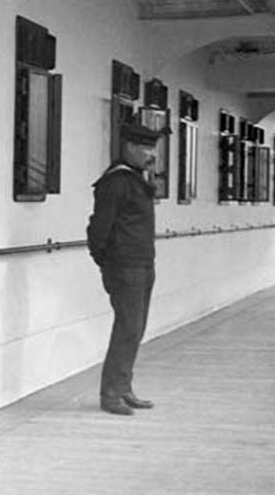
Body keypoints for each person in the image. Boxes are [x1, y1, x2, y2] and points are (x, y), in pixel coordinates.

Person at [86, 123, 161, 416]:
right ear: (128, 147)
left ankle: (124, 386)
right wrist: (106, 260)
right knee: (128, 328)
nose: (151, 154)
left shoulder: (135, 180)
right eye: (146, 148)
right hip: (125, 266)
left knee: (136, 329)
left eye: (153, 148)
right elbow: (99, 228)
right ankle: (111, 393)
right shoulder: (116, 182)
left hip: (143, 264)